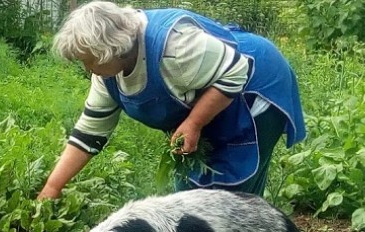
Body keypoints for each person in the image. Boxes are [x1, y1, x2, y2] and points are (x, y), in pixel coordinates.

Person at [37, 1, 306, 200]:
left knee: (230, 196)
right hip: (214, 93)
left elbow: (235, 71)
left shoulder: (173, 48)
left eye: (88, 60)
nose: (86, 69)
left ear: (111, 50)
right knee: (189, 194)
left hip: (255, 86)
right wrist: (52, 187)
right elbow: (89, 133)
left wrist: (194, 122)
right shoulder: (108, 73)